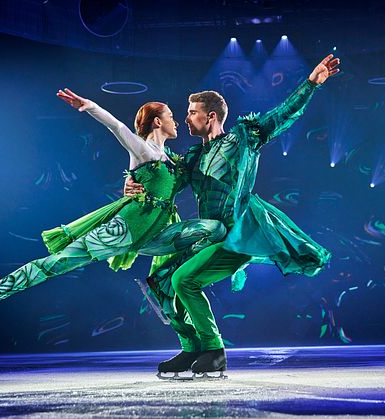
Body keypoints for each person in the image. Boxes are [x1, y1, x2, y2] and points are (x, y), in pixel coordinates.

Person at [126, 54, 340, 379]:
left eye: (192, 113)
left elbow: (281, 116)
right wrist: (133, 181)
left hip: (236, 235)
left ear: (210, 116)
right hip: (207, 237)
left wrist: (310, 85)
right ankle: (192, 349)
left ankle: (214, 350)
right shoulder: (195, 155)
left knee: (186, 280)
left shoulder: (243, 139)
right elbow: (164, 180)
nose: (185, 119)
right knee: (163, 281)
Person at [0, 89, 226, 313]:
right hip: (125, 230)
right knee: (57, 263)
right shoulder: (144, 151)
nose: (177, 121)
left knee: (212, 229)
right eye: (172, 116)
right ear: (157, 121)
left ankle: (164, 284)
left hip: (155, 235)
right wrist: (89, 106)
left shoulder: (172, 161)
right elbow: (116, 126)